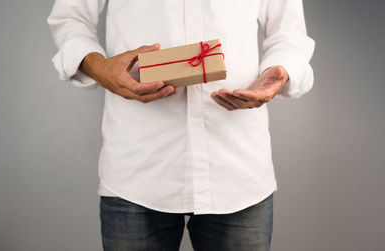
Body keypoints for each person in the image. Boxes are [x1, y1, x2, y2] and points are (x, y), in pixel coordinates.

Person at [47, 0, 315, 250]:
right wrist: (99, 68)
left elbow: (288, 35)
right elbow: (70, 16)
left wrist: (278, 73)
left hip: (237, 168)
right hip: (138, 166)